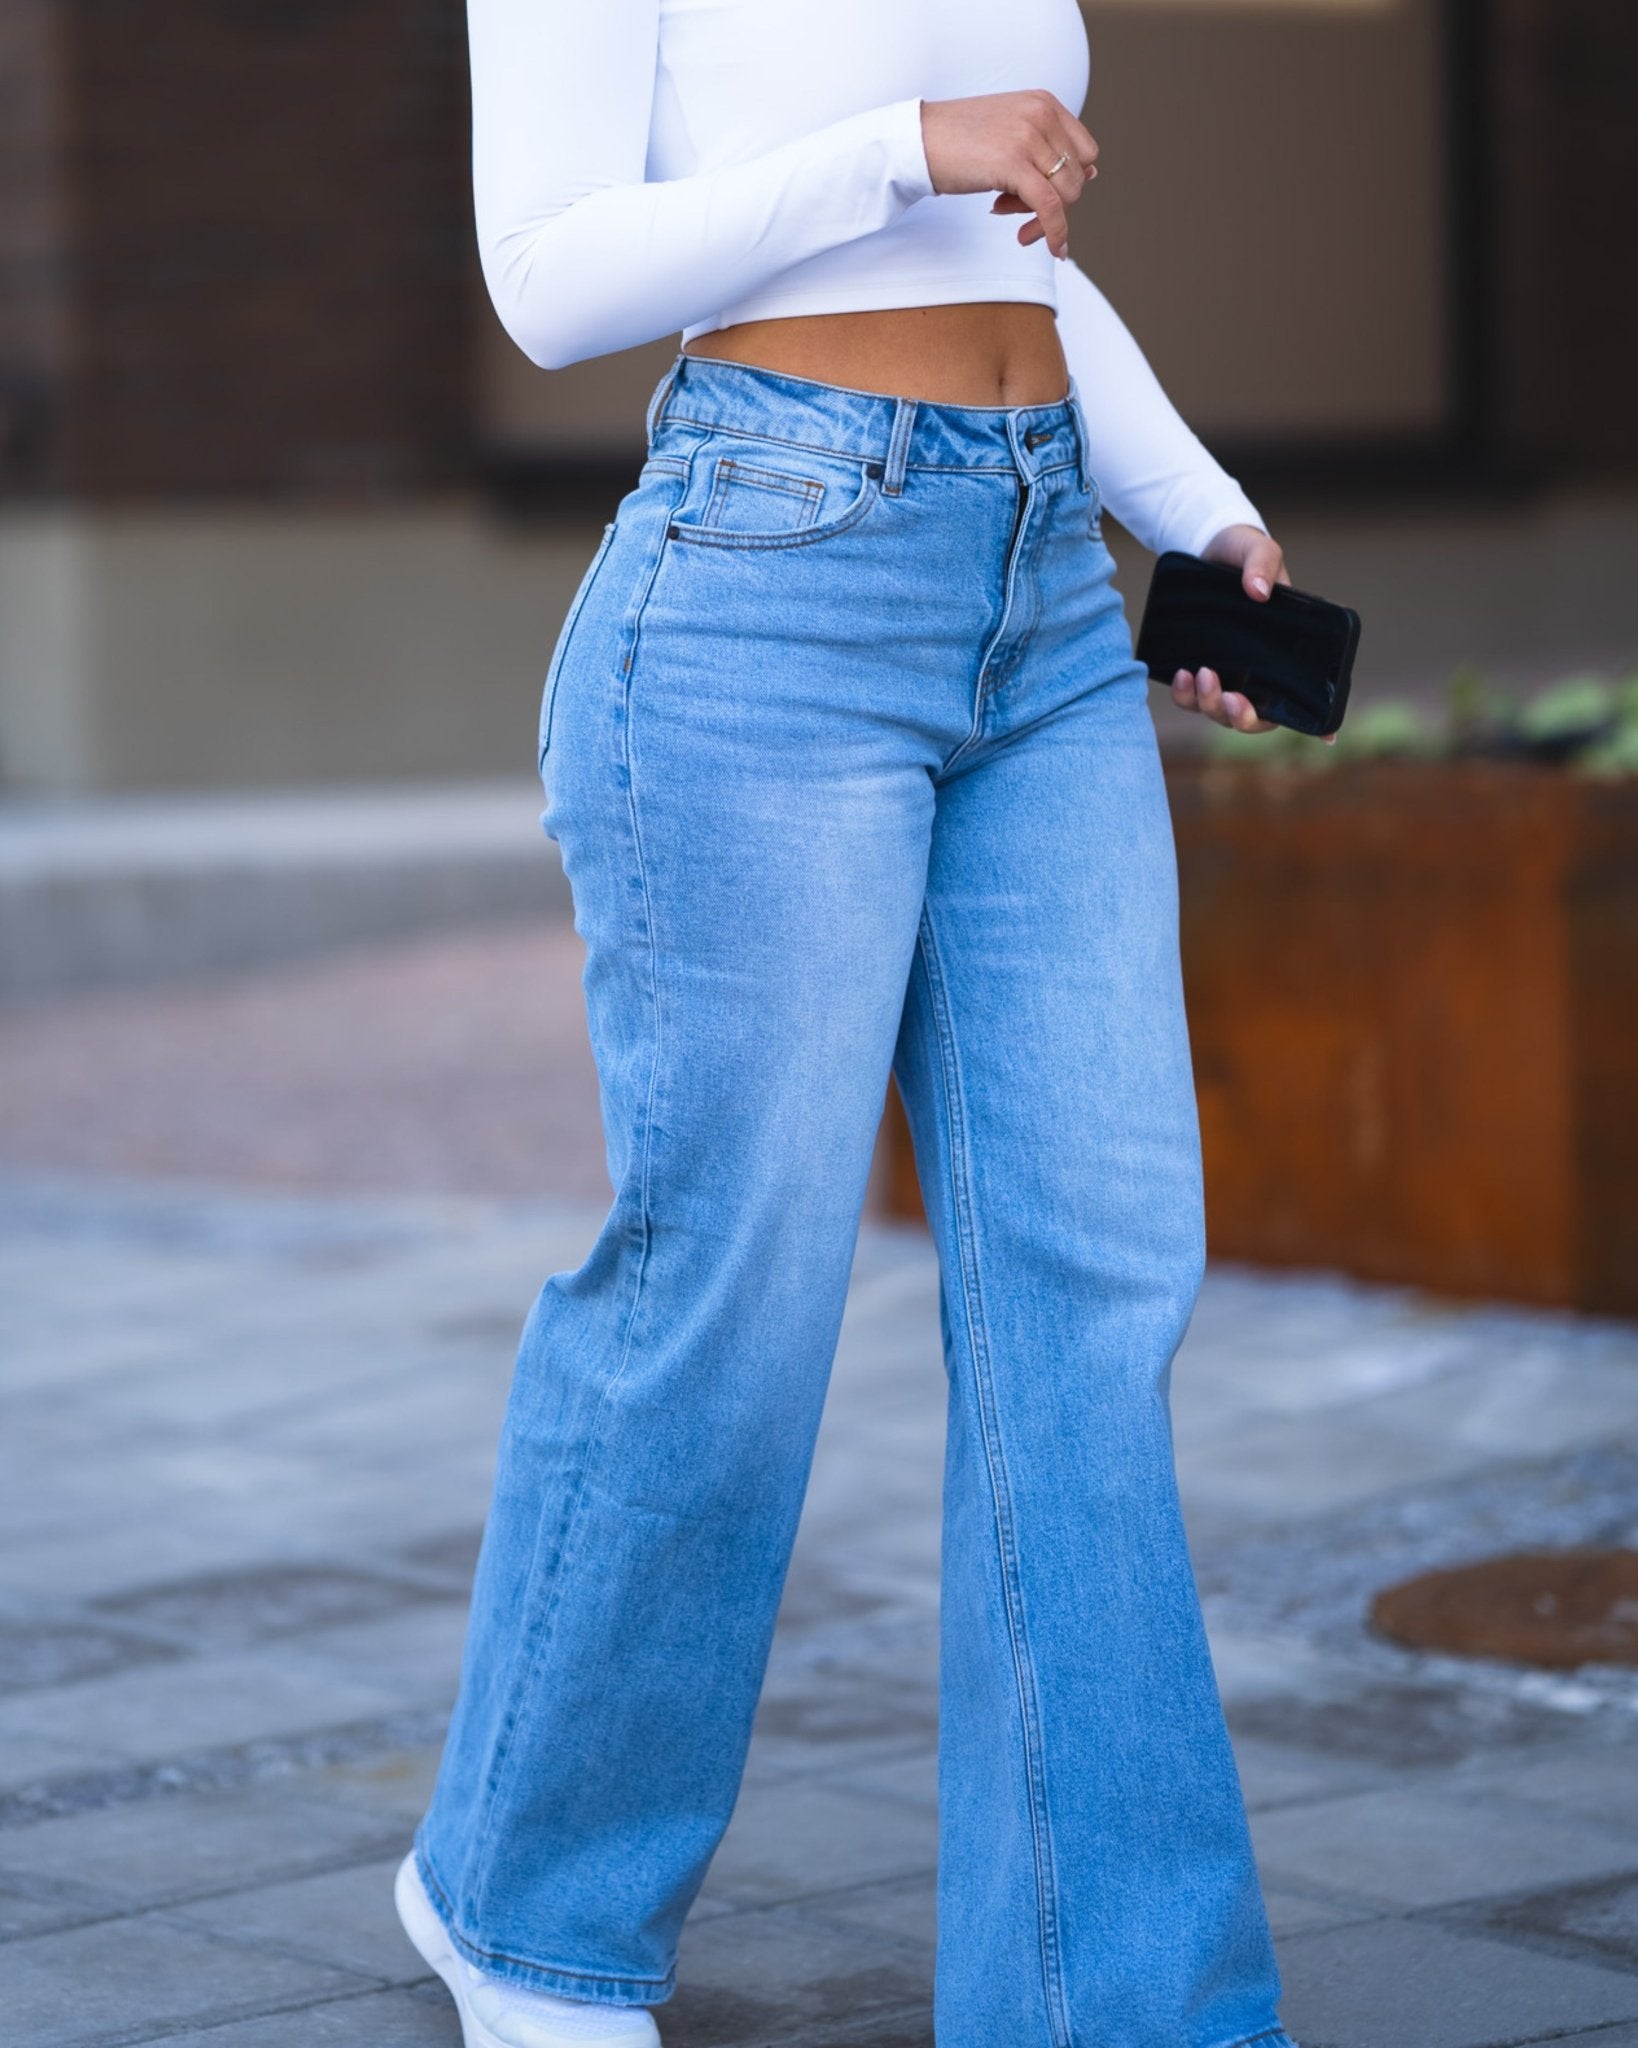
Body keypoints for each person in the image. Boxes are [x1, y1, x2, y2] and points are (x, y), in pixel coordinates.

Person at [394, 3, 1303, 2045]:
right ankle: (520, 1905)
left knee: (1096, 1297)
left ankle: (1115, 2004)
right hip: (763, 590)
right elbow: (548, 278)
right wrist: (902, 138)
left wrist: (1197, 511)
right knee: (730, 1287)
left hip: (1044, 603)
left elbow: (1015, 265)